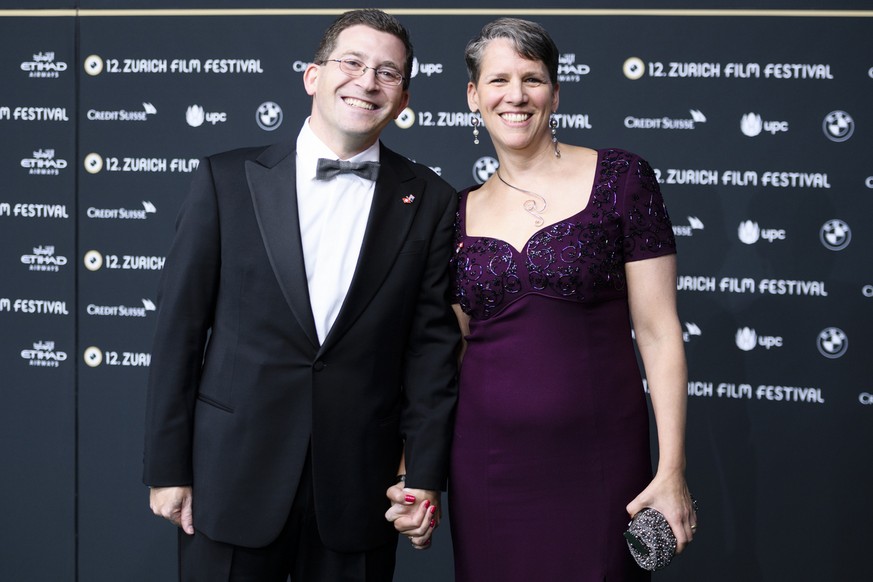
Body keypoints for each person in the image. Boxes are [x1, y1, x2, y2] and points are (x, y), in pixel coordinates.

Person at [142, 9, 459, 581]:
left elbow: (431, 352)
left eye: (387, 73)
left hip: (359, 486)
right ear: (312, 76)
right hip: (231, 477)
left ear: (404, 100)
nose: (367, 81)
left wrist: (425, 476)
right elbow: (178, 332)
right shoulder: (225, 179)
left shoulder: (433, 200)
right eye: (353, 63)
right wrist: (168, 467)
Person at [389, 17, 696, 580]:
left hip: (603, 458)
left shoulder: (623, 178)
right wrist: (416, 469)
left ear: (555, 92)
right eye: (499, 80)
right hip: (489, 467)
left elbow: (658, 330)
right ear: (473, 96)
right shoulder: (453, 213)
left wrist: (672, 467)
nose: (516, 95)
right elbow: (445, 355)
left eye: (532, 79)